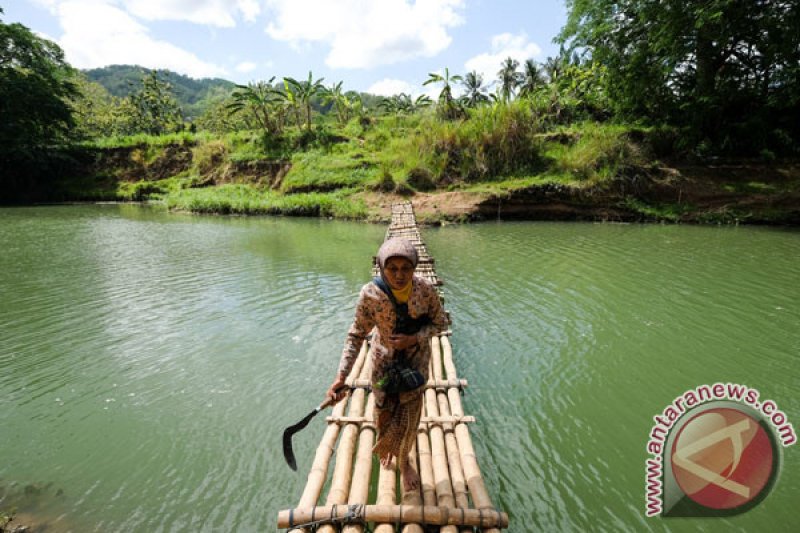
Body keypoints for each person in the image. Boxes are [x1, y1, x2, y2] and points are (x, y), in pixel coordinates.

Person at [327, 237, 448, 491]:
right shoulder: (370, 294)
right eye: (392, 268)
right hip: (383, 366)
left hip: (415, 367)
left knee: (410, 420)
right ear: (382, 268)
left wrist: (414, 338)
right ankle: (386, 444)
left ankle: (404, 463)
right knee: (383, 412)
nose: (399, 275)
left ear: (414, 268)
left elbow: (441, 323)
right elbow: (357, 334)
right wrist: (342, 375)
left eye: (406, 268)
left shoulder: (425, 290)